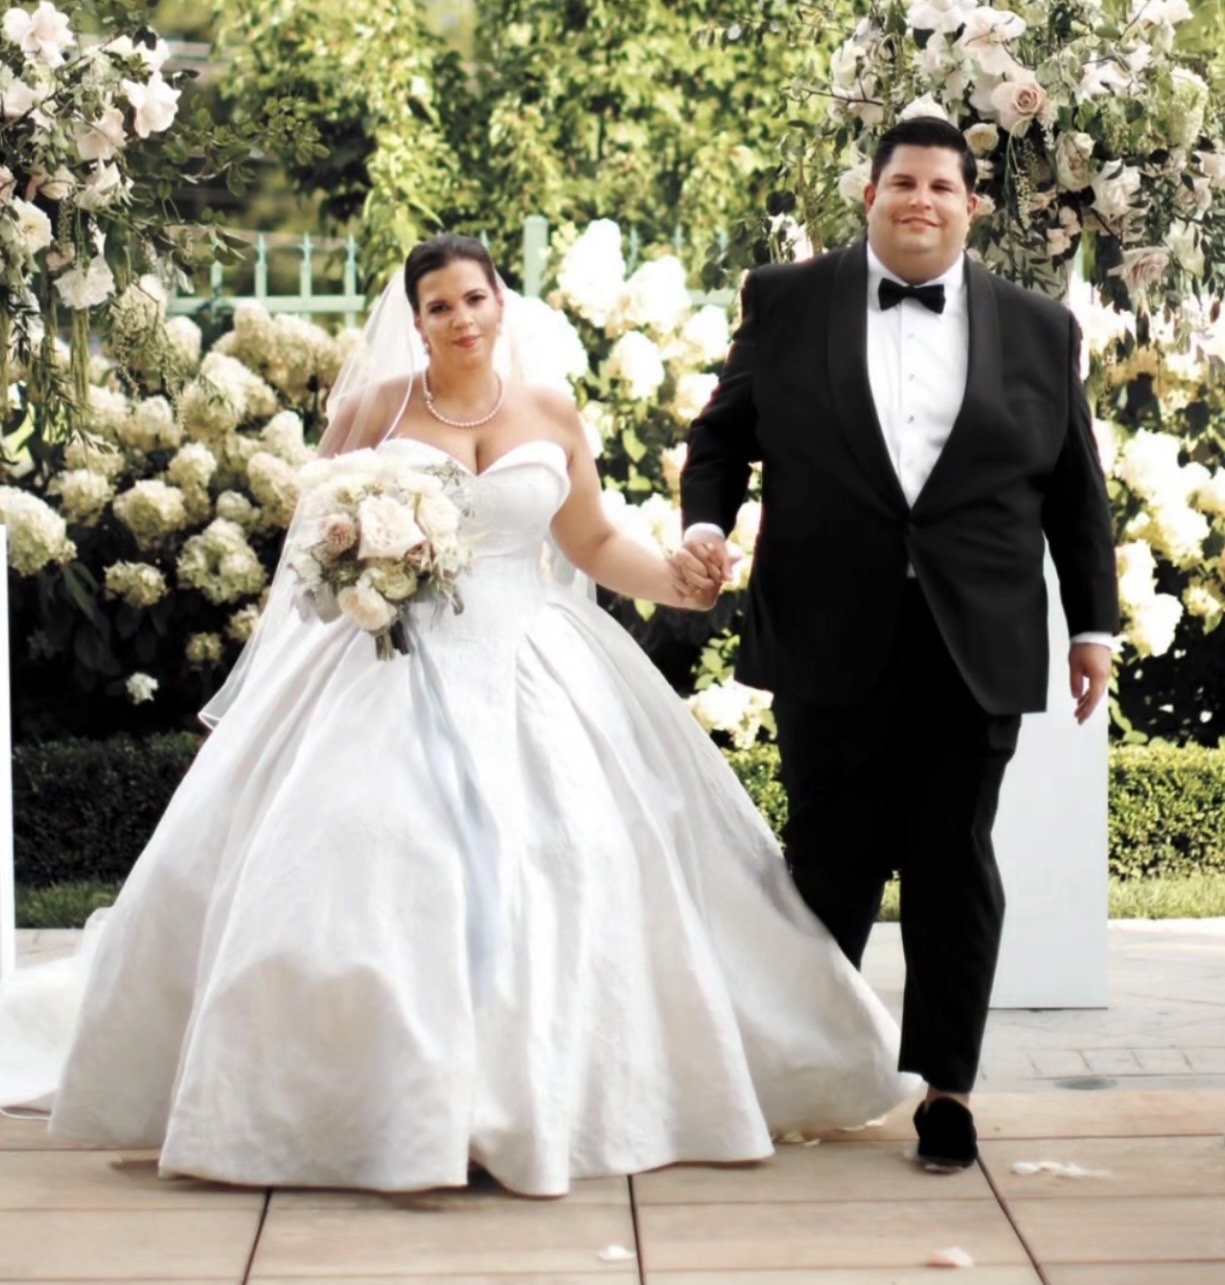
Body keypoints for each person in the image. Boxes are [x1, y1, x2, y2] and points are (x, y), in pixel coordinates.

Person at [1, 234, 912, 1195]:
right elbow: (310, 552)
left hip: (533, 661)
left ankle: (537, 1099)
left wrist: (680, 585)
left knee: (578, 855)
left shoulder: (550, 411)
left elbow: (594, 539)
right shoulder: (371, 410)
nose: (460, 318)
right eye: (438, 306)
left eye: (473, 298)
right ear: (416, 318)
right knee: (371, 851)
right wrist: (368, 567)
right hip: (389, 662)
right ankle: (366, 1104)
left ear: (498, 302)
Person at [681, 117, 1119, 1173]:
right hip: (827, 625)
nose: (919, 200)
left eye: (940, 185)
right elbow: (723, 432)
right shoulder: (785, 301)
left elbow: (1073, 488)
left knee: (951, 862)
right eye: (900, 183)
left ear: (971, 205)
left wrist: (1093, 623)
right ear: (867, 194)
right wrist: (705, 522)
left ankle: (947, 1090)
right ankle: (816, 1069)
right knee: (826, 861)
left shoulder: (1036, 327)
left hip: (978, 636)